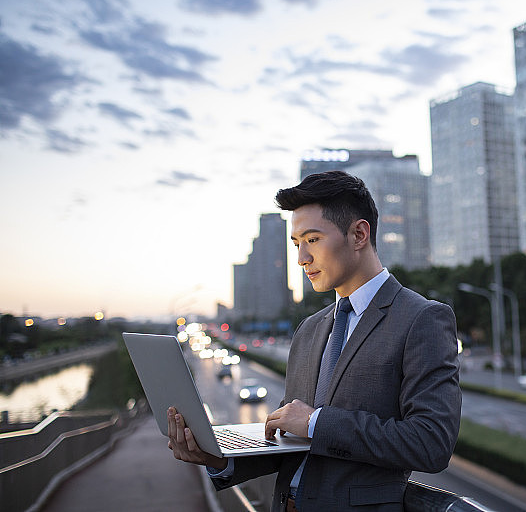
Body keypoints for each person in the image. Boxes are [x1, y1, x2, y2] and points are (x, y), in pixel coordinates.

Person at [167, 170, 461, 511]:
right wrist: (216, 458)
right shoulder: (309, 329)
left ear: (359, 234)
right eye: (297, 243)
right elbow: (293, 442)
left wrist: (314, 422)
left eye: (313, 239)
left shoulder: (422, 319)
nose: (301, 258)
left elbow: (431, 442)